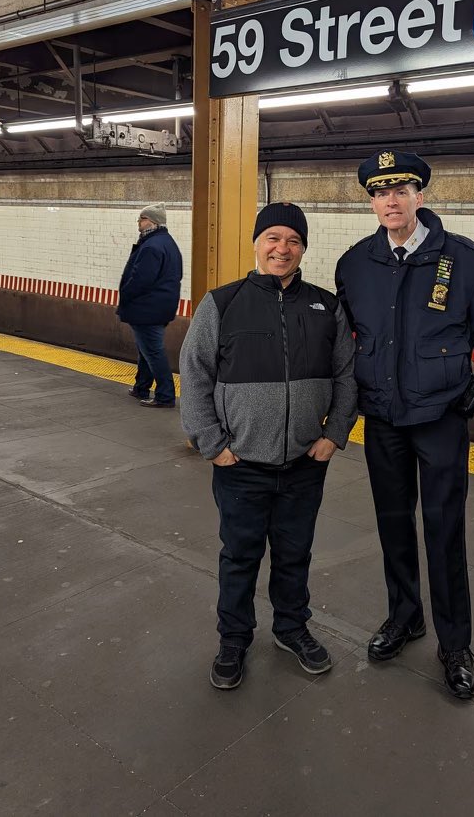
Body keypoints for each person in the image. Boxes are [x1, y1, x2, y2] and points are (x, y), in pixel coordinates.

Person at [335, 150, 474, 700]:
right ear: (371, 201)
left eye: (401, 190)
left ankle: (455, 643)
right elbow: (346, 344)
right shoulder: (355, 264)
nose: (390, 200)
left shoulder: (463, 262)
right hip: (383, 418)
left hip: (440, 417)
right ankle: (405, 616)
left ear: (421, 197)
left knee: (444, 531)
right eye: (379, 192)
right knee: (393, 525)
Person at [180, 202, 358, 691]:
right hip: (239, 463)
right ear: (257, 243)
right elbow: (194, 375)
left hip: (305, 462)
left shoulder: (325, 306)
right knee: (239, 555)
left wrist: (333, 435)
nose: (283, 249)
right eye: (273, 238)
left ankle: (290, 628)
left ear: (303, 248)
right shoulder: (222, 302)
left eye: (294, 241)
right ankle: (234, 638)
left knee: (294, 552)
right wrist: (212, 444)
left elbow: (346, 374)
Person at [117, 202, 183, 408]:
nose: (139, 222)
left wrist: (125, 295)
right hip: (159, 306)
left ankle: (165, 395)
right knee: (145, 349)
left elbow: (140, 280)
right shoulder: (166, 242)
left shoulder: (152, 246)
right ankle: (141, 386)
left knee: (152, 351)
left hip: (147, 308)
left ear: (151, 222)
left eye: (142, 218)